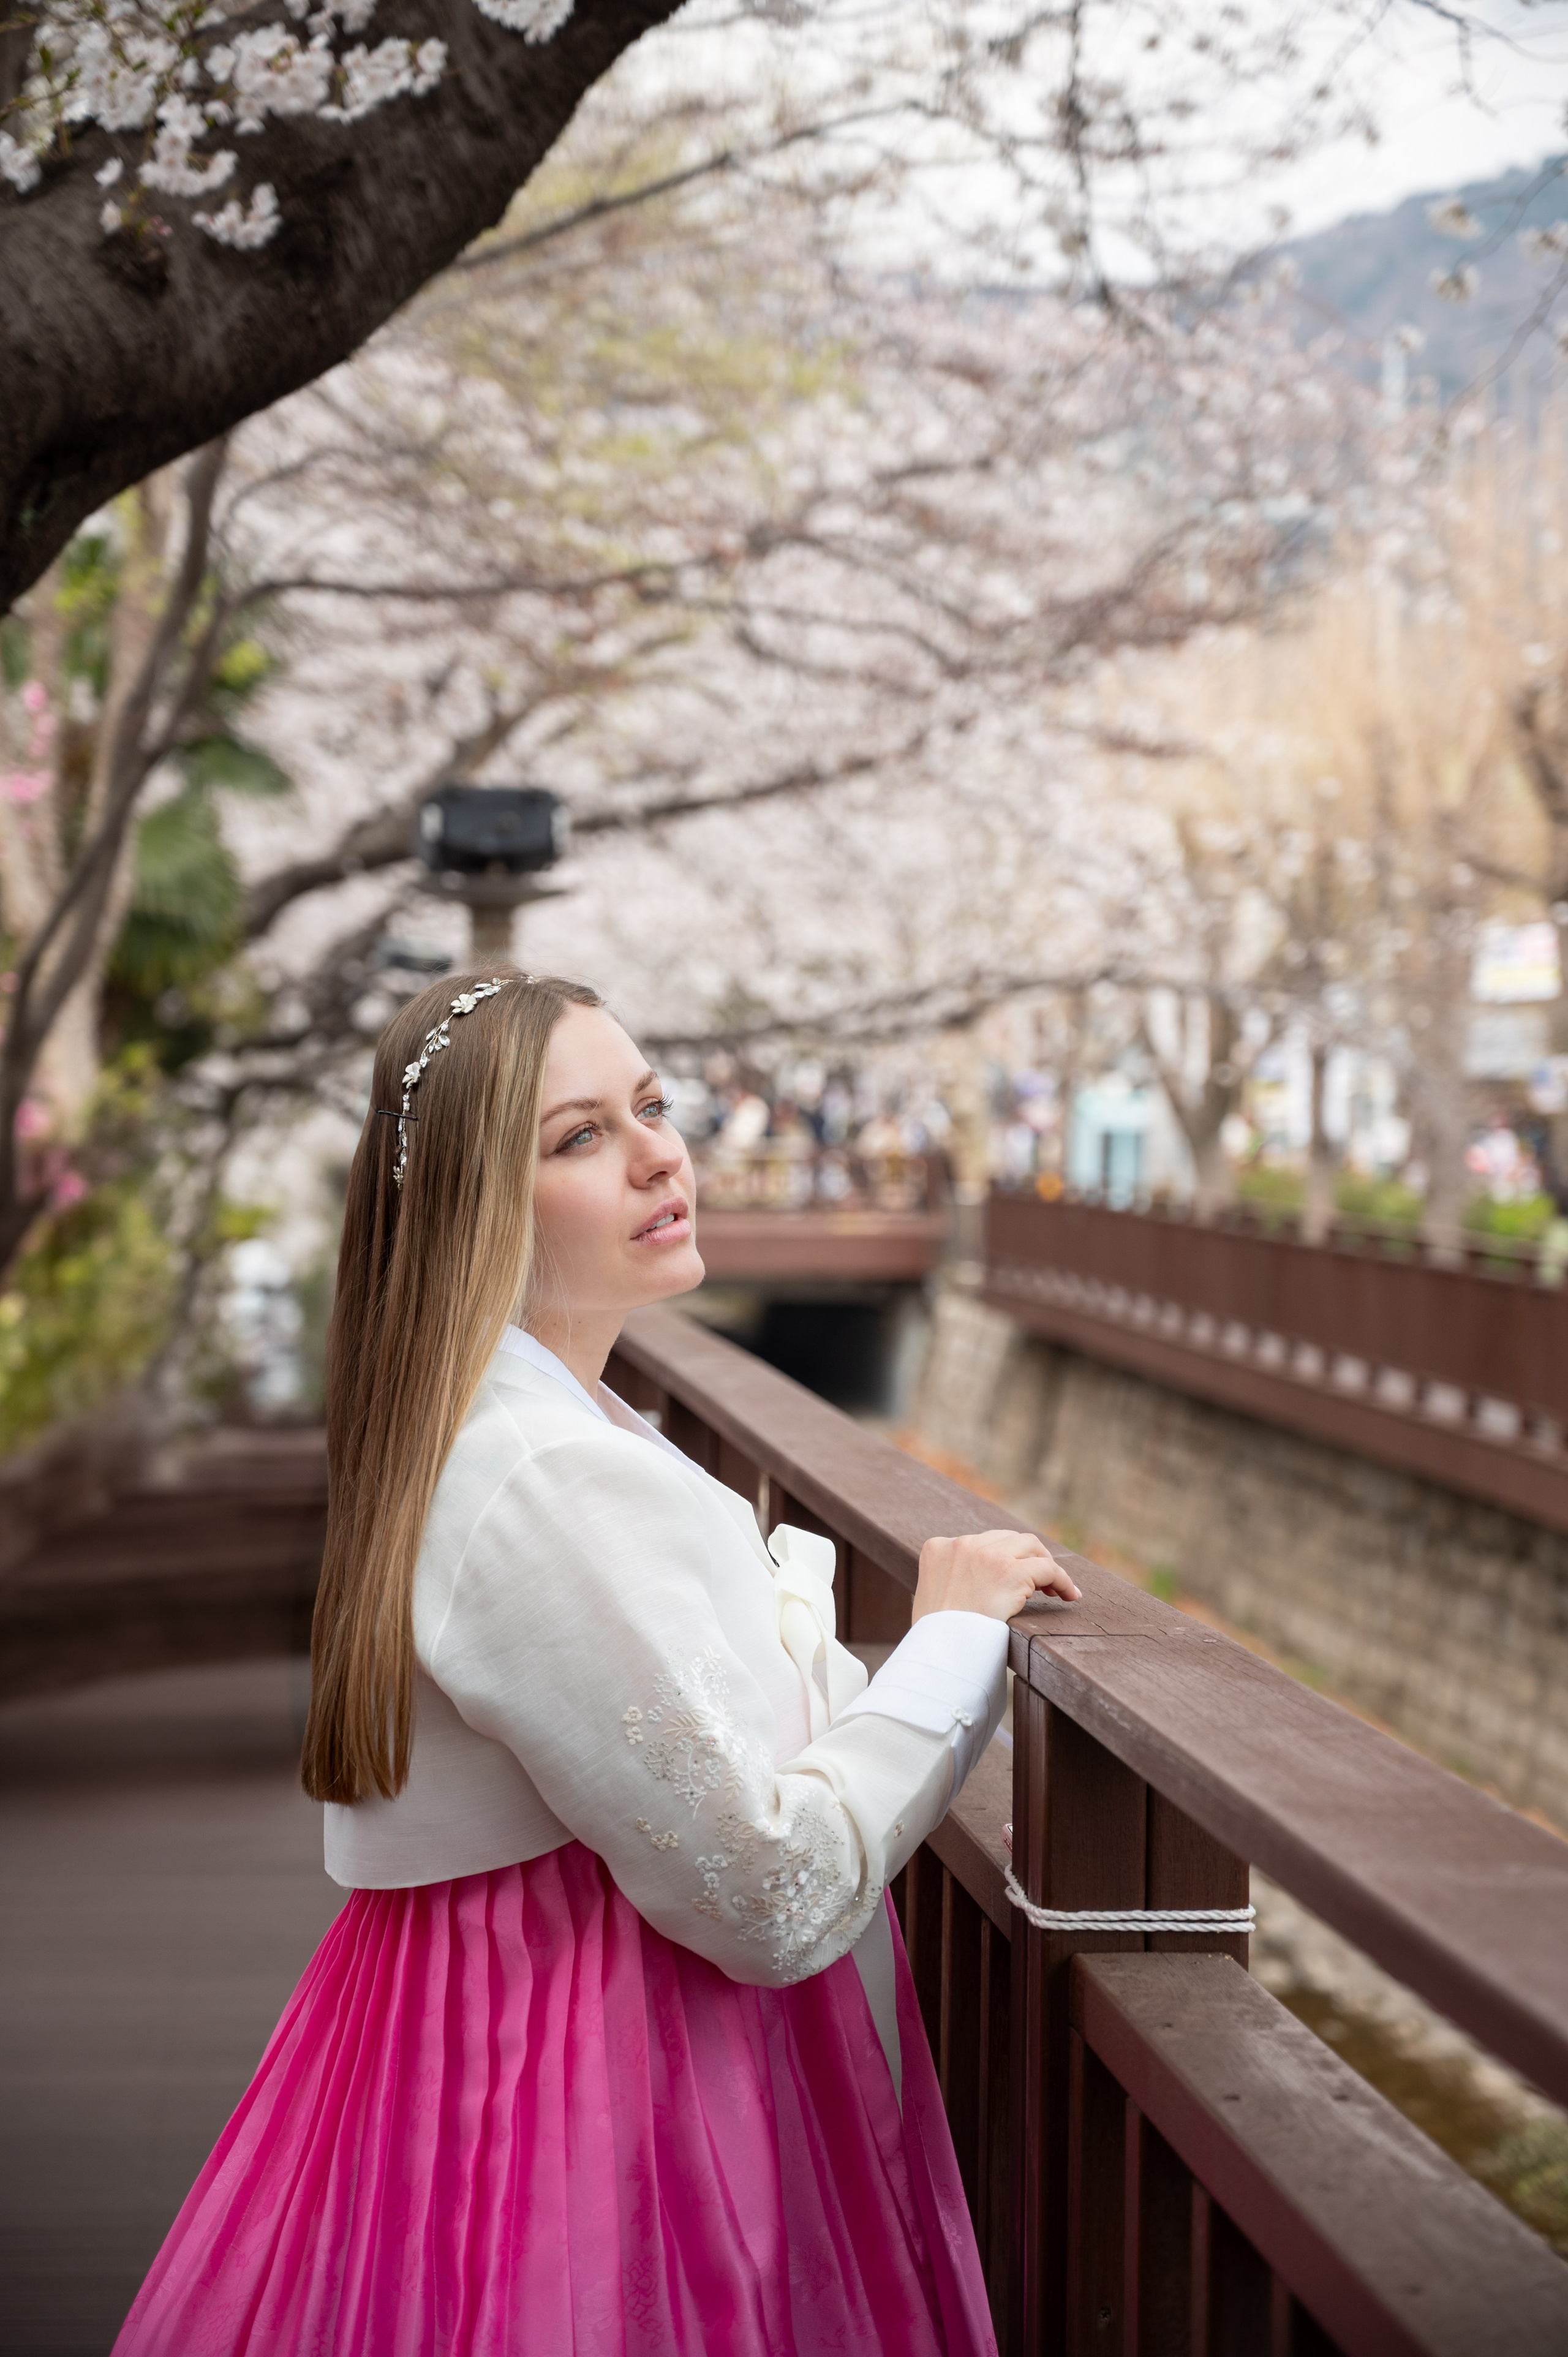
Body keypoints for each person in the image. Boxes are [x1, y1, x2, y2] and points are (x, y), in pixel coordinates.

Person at [113, 968, 1079, 2356]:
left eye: (649, 1105)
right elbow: (769, 1887)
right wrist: (949, 1646)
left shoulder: (533, 1425)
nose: (655, 1154)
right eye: (577, 1138)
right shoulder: (541, 1474)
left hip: (484, 2022)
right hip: (594, 2061)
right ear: (472, 1207)